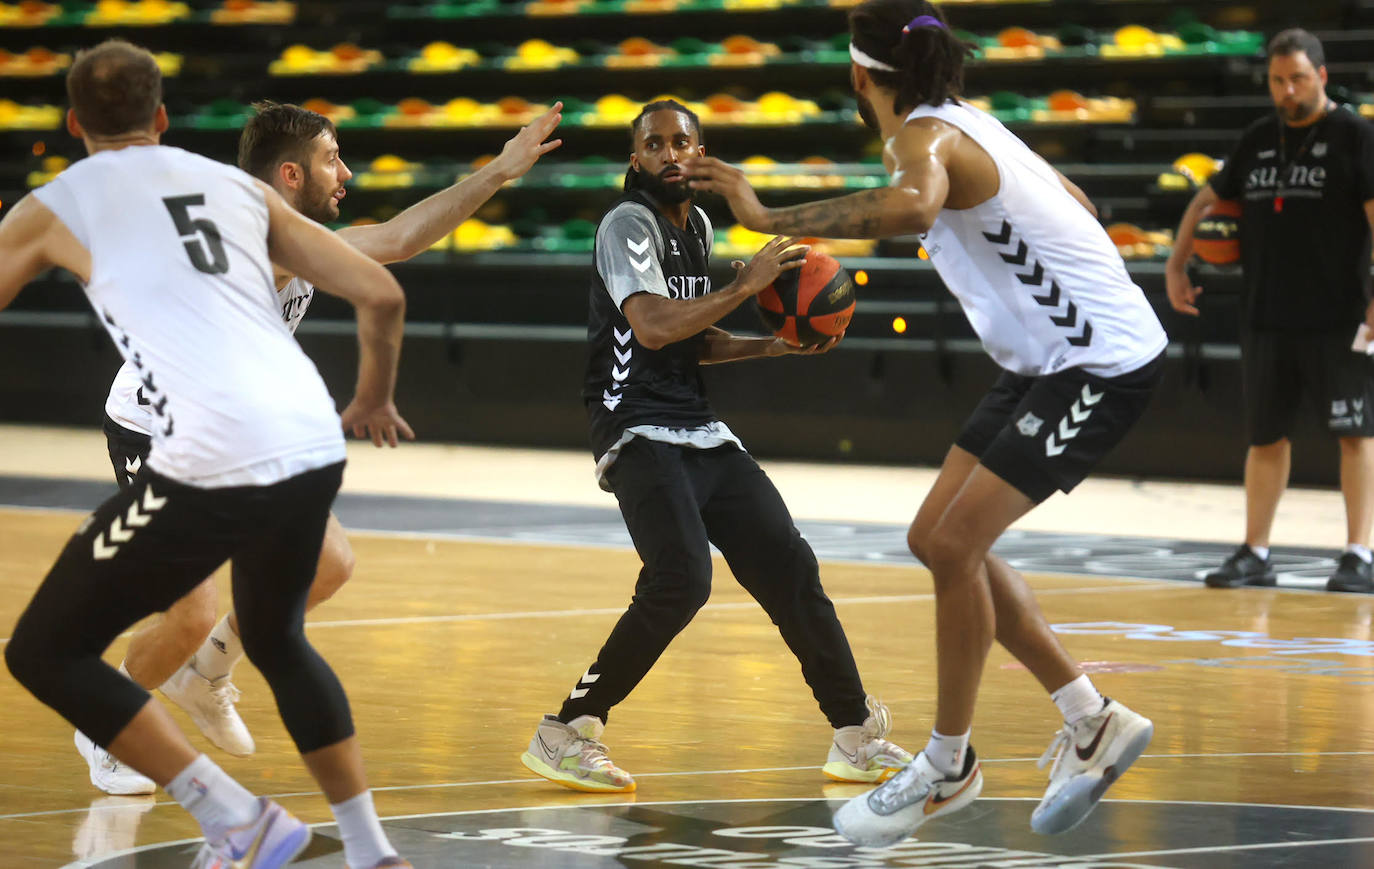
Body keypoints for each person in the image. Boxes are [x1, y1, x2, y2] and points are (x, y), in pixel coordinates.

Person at [684, 0, 1162, 844]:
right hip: (1043, 360)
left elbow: (911, 207)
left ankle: (947, 764)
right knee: (936, 536)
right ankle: (1091, 719)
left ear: (859, 76)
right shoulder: (967, 124)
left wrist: (765, 219)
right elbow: (1075, 198)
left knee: (952, 546)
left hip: (1095, 363)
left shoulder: (922, 143)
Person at [1, 39, 414, 868]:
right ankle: (373, 851)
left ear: (74, 122)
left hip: (210, 444)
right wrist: (371, 397)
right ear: (161, 119)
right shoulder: (230, 185)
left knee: (44, 650)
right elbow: (382, 289)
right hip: (308, 435)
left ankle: (237, 818)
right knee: (279, 635)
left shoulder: (54, 204)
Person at [79, 98, 565, 795]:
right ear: (290, 173)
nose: (347, 172)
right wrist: (499, 171)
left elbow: (396, 234)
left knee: (329, 562)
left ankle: (206, 672)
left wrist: (499, 173)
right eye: (332, 158)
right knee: (188, 606)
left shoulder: (289, 229)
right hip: (159, 430)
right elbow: (397, 242)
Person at [519, 99, 913, 794]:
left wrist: (775, 343)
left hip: (696, 426)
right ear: (635, 158)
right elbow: (652, 326)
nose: (671, 153)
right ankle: (567, 730)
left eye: (683, 141)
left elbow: (695, 339)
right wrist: (744, 285)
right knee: (682, 579)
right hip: (634, 425)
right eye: (656, 144)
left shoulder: (696, 223)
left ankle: (854, 734)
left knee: (788, 563)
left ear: (700, 154)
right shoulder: (627, 224)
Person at [1166, 29, 1374, 594]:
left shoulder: (1355, 136)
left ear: (1323, 76)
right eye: (1278, 81)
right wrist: (1176, 264)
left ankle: (1360, 553)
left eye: (1298, 78)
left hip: (1339, 315)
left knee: (1354, 432)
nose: (1287, 90)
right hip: (1265, 313)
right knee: (1265, 437)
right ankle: (1255, 551)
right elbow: (1207, 199)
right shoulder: (1259, 138)